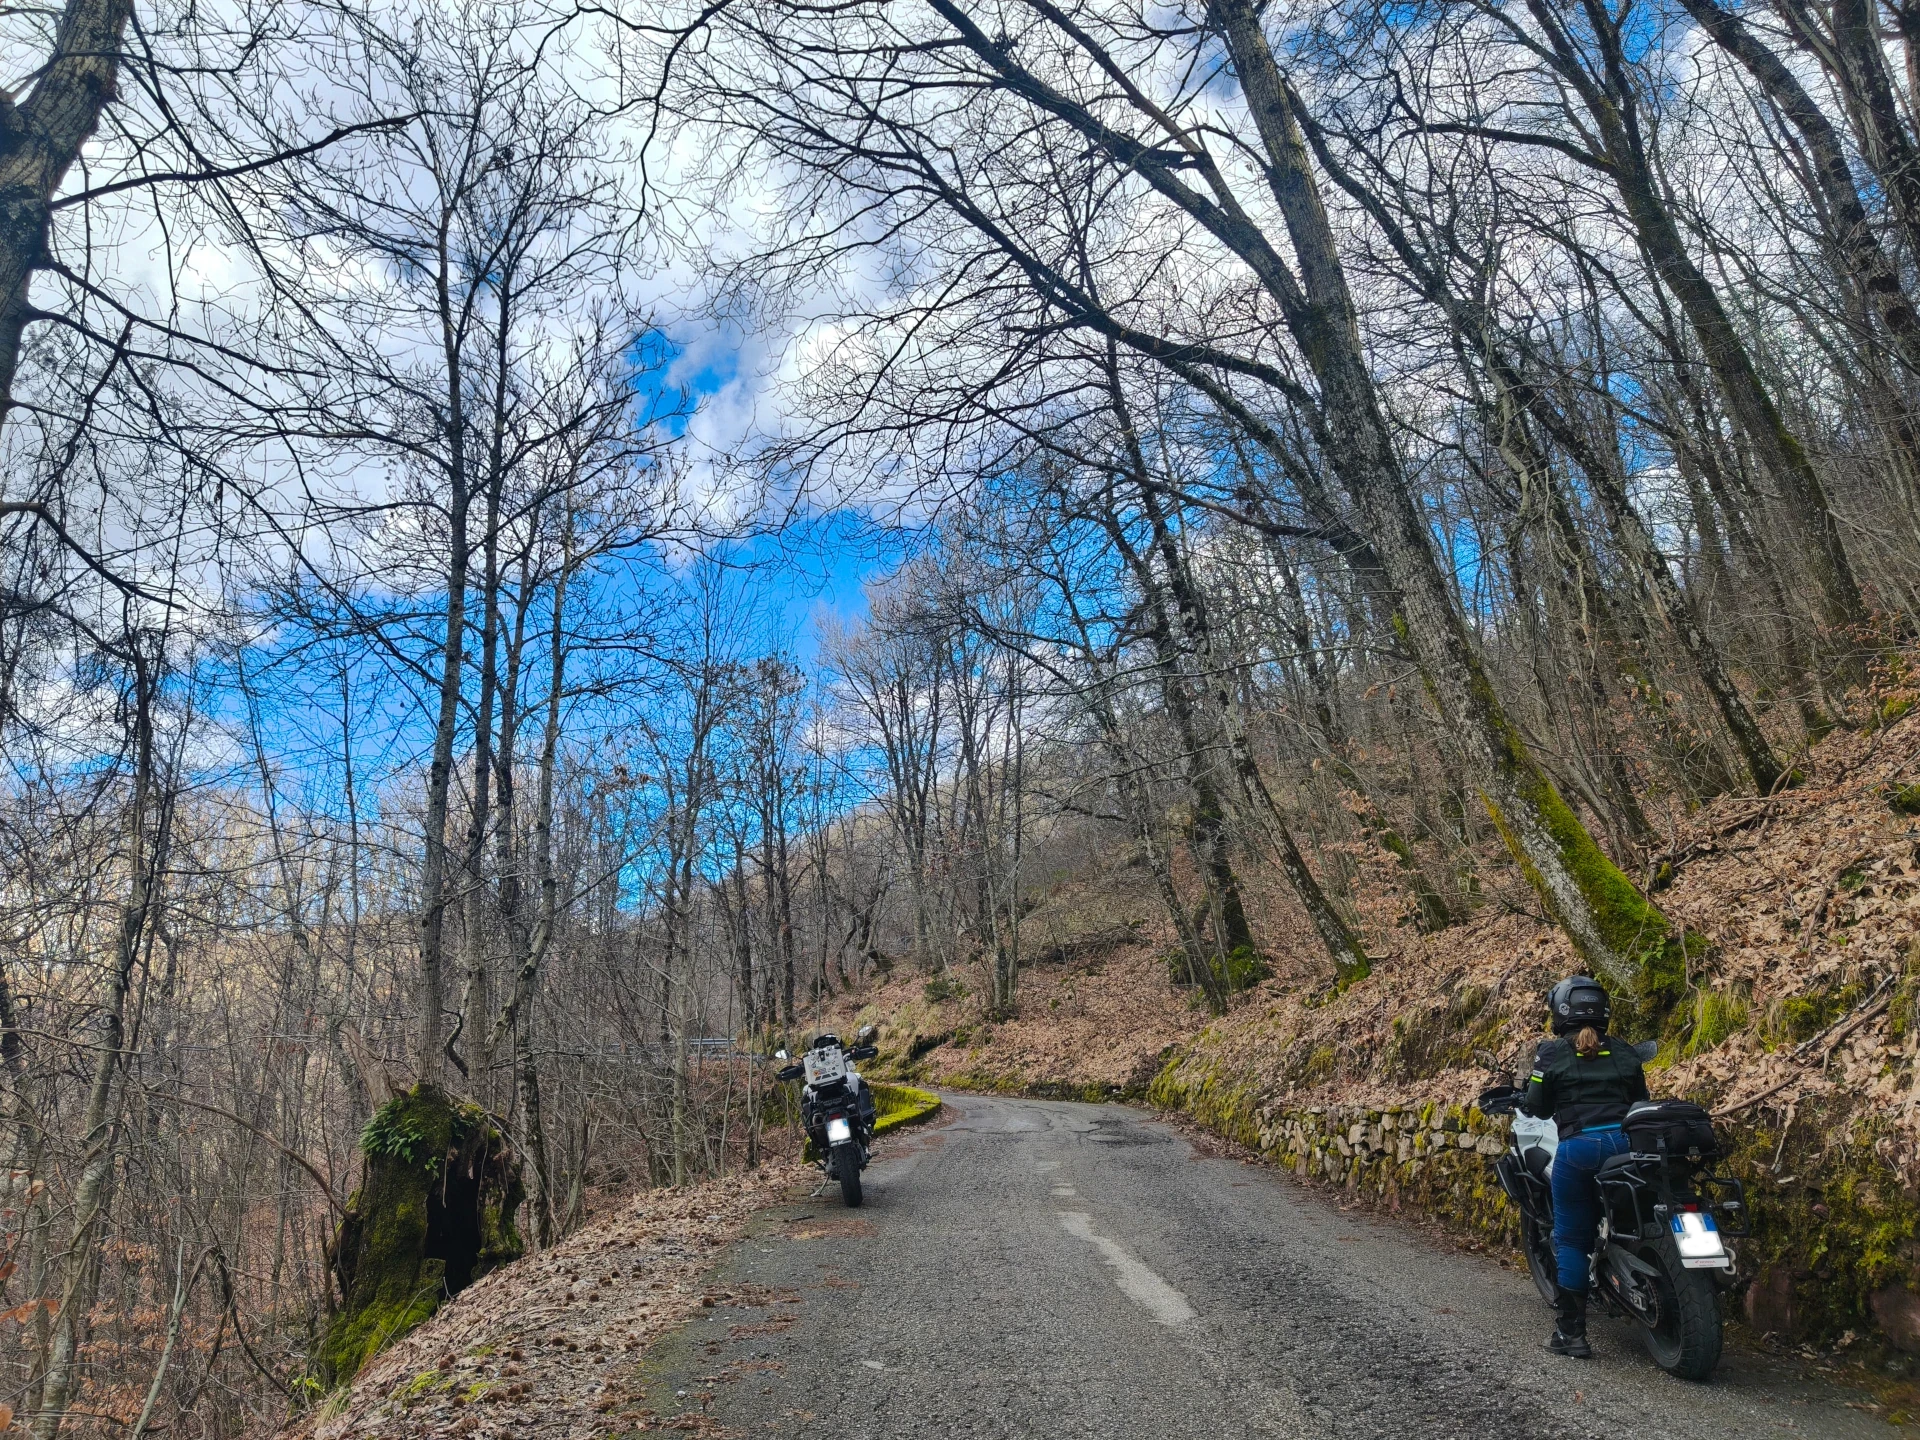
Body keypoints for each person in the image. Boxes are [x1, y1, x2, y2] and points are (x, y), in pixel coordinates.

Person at [1519, 975, 1649, 1359]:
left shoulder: (1550, 1054)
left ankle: (1571, 1333)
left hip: (1580, 1150)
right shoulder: (1626, 1052)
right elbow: (1640, 1099)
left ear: (1561, 1011)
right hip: (1627, 1147)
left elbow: (1538, 1106)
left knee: (1571, 1239)